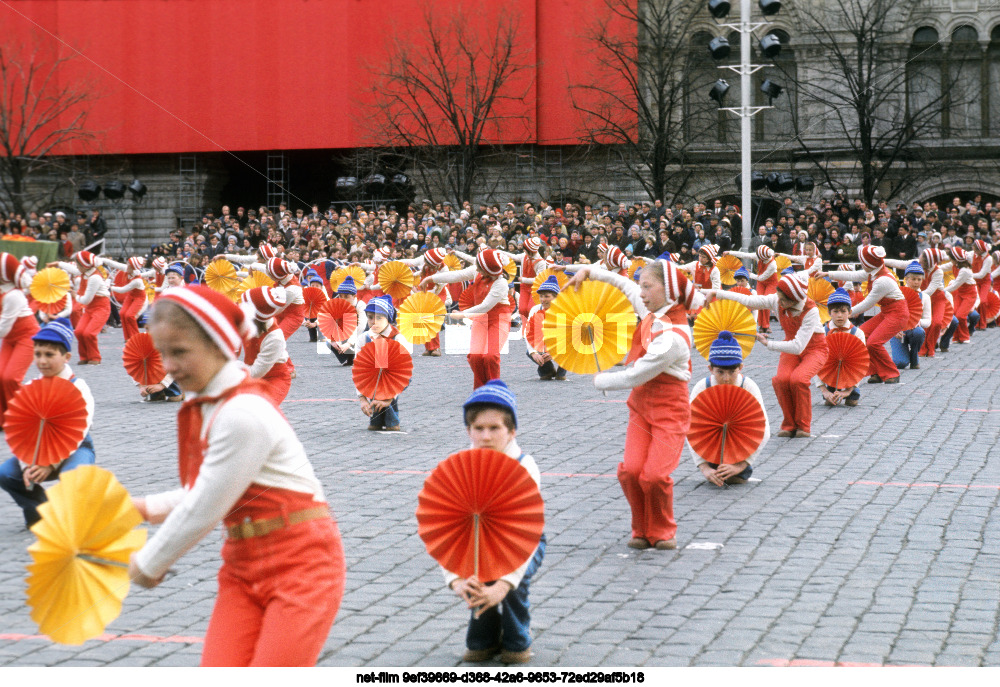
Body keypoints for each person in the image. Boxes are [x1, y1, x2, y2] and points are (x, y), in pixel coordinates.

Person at [129, 286, 344, 667]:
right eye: (162, 352)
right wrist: (136, 509)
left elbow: (207, 502)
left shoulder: (243, 411)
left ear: (219, 345)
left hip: (302, 567)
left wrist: (150, 562)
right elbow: (214, 489)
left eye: (179, 351)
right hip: (241, 566)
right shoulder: (210, 403)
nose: (168, 366)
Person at [565, 259, 703, 550]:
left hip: (670, 410)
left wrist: (601, 380)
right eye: (642, 286)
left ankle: (663, 531)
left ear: (669, 292)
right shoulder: (654, 313)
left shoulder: (675, 336)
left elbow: (638, 373)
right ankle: (641, 528)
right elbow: (625, 285)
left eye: (648, 287)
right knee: (630, 471)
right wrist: (590, 272)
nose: (641, 294)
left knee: (654, 475)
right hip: (641, 405)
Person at [447, 380, 544, 665]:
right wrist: (456, 579)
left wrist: (504, 584)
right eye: (479, 429)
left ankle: (517, 636)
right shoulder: (460, 466)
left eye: (495, 428)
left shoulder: (524, 466)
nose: (486, 436)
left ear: (511, 432)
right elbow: (445, 529)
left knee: (513, 586)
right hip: (477, 538)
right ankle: (483, 636)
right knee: (477, 578)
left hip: (524, 539)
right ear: (468, 431)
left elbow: (524, 532)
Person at [705, 274, 828, 438]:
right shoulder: (777, 300)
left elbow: (798, 346)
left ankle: (803, 426)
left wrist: (768, 344)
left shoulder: (810, 311)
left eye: (783, 300)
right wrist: (716, 293)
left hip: (814, 348)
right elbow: (749, 301)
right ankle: (789, 424)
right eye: (779, 298)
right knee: (781, 380)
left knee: (798, 379)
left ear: (794, 300)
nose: (779, 303)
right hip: (790, 344)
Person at [0, 319, 94, 529]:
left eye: (49, 355)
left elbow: (80, 430)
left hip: (74, 449)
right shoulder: (31, 386)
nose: (42, 361)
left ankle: (77, 519)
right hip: (37, 451)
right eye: (38, 354)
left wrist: (49, 463)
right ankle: (41, 511)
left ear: (66, 357)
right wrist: (28, 465)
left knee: (75, 474)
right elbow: (23, 430)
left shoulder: (78, 387)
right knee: (6, 473)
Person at [423, 249, 512, 389]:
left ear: (487, 270)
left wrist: (462, 314)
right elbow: (456, 275)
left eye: (480, 268)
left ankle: (495, 389)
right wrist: (431, 279)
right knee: (475, 357)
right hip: (481, 319)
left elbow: (485, 306)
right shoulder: (477, 271)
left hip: (498, 318)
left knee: (490, 356)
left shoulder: (501, 283)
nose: (476, 269)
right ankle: (482, 389)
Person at [688, 331, 768, 486]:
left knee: (735, 477)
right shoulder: (702, 387)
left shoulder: (748, 386)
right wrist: (704, 468)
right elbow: (690, 429)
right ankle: (715, 467)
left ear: (741, 367)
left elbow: (764, 429)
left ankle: (741, 470)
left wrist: (740, 465)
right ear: (710, 368)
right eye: (720, 372)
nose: (726, 378)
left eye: (732, 372)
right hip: (709, 443)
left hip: (741, 444)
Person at [821, 246, 908, 383]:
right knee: (862, 334)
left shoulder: (882, 280)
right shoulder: (874, 271)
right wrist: (828, 274)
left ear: (868, 263)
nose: (862, 265)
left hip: (898, 313)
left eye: (863, 263)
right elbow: (853, 275)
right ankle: (877, 371)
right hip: (887, 311)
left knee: (874, 343)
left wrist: (848, 313)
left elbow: (868, 303)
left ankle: (892, 373)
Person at [355, 296, 409, 431]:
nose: (374, 322)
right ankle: (378, 418)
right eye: (370, 317)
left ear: (388, 319)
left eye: (379, 318)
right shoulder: (363, 339)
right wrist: (362, 398)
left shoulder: (398, 338)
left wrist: (389, 399)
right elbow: (358, 371)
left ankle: (391, 419)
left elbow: (402, 373)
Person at [0, 254, 39, 417]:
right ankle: (6, 417)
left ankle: (31, 411)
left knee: (11, 378)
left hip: (27, 337)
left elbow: (3, 329)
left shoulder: (13, 295)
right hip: (10, 338)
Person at [54, 251, 111, 365]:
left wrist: (75, 296)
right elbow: (72, 269)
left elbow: (86, 300)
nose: (77, 267)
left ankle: (95, 357)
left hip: (101, 307)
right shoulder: (85, 271)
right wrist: (58, 263)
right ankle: (84, 356)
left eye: (78, 264)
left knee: (89, 333)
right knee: (79, 331)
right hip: (90, 307)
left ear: (84, 266)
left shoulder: (95, 278)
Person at [240, 286, 293, 405]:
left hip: (274, 378)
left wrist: (231, 370)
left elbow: (256, 372)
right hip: (250, 373)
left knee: (261, 410)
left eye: (245, 306)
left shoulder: (274, 337)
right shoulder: (246, 322)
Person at [818, 288, 866, 407]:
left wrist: (847, 391)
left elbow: (861, 363)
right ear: (829, 313)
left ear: (849, 312)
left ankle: (853, 391)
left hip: (850, 375)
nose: (839, 315)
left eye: (843, 311)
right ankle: (830, 390)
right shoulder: (822, 333)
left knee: (852, 402)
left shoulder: (857, 333)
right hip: (830, 374)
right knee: (830, 402)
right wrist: (824, 391)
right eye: (835, 311)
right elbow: (815, 363)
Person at [889, 263, 931, 371]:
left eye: (919, 279)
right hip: (898, 331)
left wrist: (918, 322)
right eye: (913, 279)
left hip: (914, 330)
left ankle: (914, 355)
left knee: (919, 332)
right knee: (901, 363)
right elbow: (889, 314)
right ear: (906, 279)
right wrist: (894, 329)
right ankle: (904, 354)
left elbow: (928, 321)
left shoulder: (925, 297)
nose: (916, 282)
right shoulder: (897, 294)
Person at [726, 246, 777, 333]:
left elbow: (761, 277)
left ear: (763, 257)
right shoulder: (759, 255)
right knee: (758, 302)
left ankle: (766, 325)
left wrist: (750, 274)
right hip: (761, 281)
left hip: (771, 282)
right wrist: (730, 252)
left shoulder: (772, 264)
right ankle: (761, 325)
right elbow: (744, 255)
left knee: (767, 301)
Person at [523, 276, 566, 380]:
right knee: (530, 352)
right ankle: (547, 368)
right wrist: (533, 353)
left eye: (547, 296)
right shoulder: (535, 309)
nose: (543, 300)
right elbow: (528, 333)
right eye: (541, 296)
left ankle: (562, 370)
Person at [326, 276, 367, 366]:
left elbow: (361, 326)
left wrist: (348, 343)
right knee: (329, 341)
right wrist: (335, 341)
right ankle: (349, 356)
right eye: (340, 296)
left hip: (363, 332)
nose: (343, 299)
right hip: (349, 331)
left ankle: (358, 355)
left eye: (346, 297)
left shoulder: (360, 305)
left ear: (354, 296)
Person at [107, 256, 149, 342]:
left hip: (139, 297)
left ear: (133, 268)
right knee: (122, 313)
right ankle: (128, 338)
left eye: (129, 265)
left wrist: (111, 288)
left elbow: (123, 290)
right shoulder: (127, 269)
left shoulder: (137, 280)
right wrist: (101, 260)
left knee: (130, 315)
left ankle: (136, 337)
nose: (126, 265)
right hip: (131, 295)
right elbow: (114, 264)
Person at [943, 246, 978, 345]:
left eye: (951, 258)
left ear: (956, 259)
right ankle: (956, 337)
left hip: (969, 294)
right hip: (960, 292)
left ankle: (965, 336)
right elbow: (943, 268)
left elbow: (955, 285)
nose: (950, 260)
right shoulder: (955, 264)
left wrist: (942, 291)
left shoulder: (964, 271)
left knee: (961, 315)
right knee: (954, 313)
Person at [971, 240, 993, 331]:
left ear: (980, 250)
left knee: (983, 301)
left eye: (976, 249)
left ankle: (983, 324)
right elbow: (965, 255)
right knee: (976, 301)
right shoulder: (973, 254)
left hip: (984, 281)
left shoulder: (988, 258)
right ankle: (977, 323)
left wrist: (968, 275)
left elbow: (982, 274)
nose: (974, 251)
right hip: (976, 281)